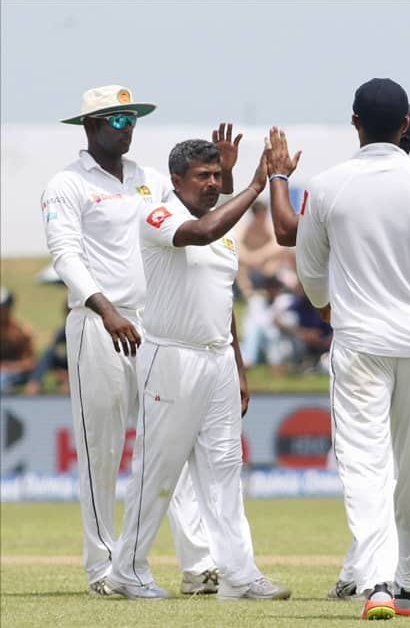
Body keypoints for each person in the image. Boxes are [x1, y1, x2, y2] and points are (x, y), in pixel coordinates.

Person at [266, 79, 410, 620]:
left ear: (354, 123)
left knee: (365, 465)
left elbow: (308, 265)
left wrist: (327, 306)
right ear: (406, 124)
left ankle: (375, 581)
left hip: (359, 344)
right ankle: (405, 582)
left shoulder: (326, 186)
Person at [40, 85, 219, 596]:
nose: (128, 128)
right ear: (90, 125)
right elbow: (65, 254)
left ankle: (198, 564)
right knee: (102, 448)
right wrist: (106, 309)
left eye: (132, 119)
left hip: (156, 325)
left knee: (171, 443)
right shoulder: (67, 184)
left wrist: (219, 183)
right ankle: (103, 567)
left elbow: (191, 228)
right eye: (117, 120)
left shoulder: (149, 180)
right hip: (99, 324)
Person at [105, 138, 291, 602]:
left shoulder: (223, 225)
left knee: (225, 468)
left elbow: (222, 301)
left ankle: (238, 573)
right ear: (176, 181)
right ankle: (127, 570)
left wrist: (239, 369)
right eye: (202, 177)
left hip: (218, 360)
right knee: (158, 469)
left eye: (215, 175)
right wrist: (253, 185)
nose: (211, 184)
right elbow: (200, 232)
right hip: (171, 358)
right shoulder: (157, 215)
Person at [25, 300, 69, 395]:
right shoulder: (63, 331)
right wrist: (60, 373)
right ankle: (34, 382)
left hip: (81, 370)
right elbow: (50, 353)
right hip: (66, 368)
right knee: (49, 352)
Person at [0, 287, 36, 394]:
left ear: (9, 308)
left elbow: (31, 362)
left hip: (15, 373)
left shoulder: (22, 331)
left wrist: (8, 367)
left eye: (2, 307)